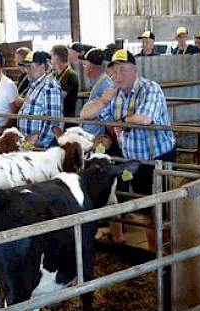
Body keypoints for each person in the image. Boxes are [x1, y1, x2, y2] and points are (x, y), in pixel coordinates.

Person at [80, 49, 176, 244]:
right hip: (134, 160)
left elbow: (144, 118)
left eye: (123, 70)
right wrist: (103, 99)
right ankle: (156, 254)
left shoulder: (150, 88)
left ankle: (168, 253)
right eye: (114, 72)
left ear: (135, 71)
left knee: (163, 209)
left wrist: (120, 123)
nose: (118, 76)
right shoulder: (114, 94)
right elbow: (85, 113)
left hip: (158, 158)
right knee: (147, 210)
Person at [13, 50, 63, 148]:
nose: (26, 70)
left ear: (42, 66)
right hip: (28, 144)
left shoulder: (50, 86)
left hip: (42, 148)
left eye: (29, 66)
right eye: (25, 66)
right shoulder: (35, 85)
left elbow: (52, 121)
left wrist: (39, 145)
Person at [80, 48, 114, 138]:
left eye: (85, 65)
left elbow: (107, 117)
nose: (84, 67)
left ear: (90, 67)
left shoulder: (105, 85)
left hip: (96, 138)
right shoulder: (100, 82)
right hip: (92, 135)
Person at [51, 45, 80, 121]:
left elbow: (59, 97)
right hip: (57, 115)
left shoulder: (70, 75)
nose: (50, 59)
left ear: (56, 57)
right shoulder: (55, 74)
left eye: (51, 56)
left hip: (66, 119)